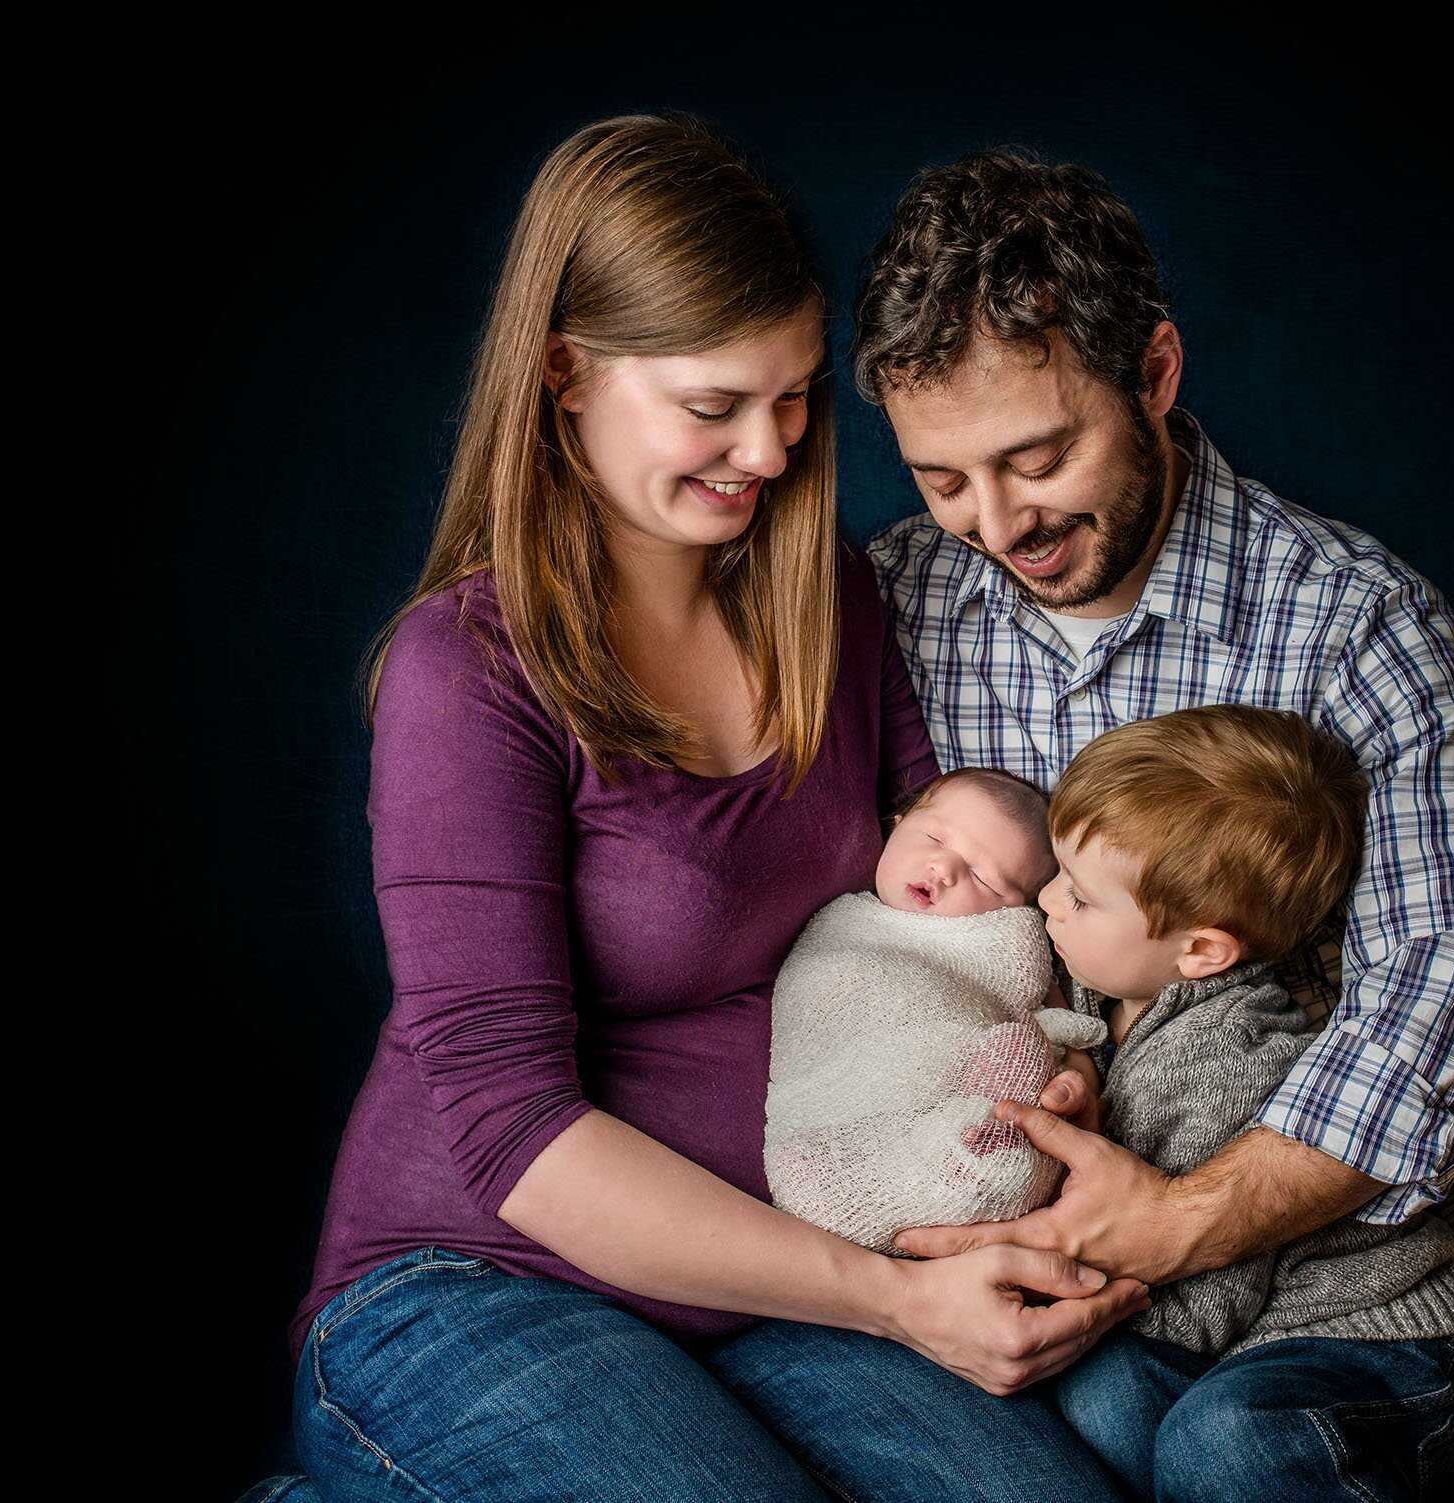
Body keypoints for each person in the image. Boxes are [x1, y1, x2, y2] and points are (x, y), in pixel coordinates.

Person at [247, 118, 1144, 1503]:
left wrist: (1032, 1089)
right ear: (566, 375)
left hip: (773, 1273)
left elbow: (970, 910)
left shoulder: (831, 602)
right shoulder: (467, 669)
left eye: (793, 399)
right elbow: (509, 1128)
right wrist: (891, 1295)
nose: (769, 451)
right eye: (714, 405)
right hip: (478, 1278)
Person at [859, 150, 1454, 1503]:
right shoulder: (899, 601)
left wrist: (1182, 1220)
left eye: (1038, 456)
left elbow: (1435, 996)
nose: (997, 521)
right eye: (945, 476)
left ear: (1154, 373)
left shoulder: (1357, 620)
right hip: (1105, 1173)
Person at [1039, 705, 1454, 1501]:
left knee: (1229, 1436)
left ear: (1201, 950)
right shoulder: (1112, 978)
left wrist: (1061, 1297)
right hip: (1233, 1336)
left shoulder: (1229, 1055)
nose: (1045, 900)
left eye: (1078, 895)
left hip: (1368, 1335)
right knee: (1100, 1402)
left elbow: (1212, 1283)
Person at [764, 766, 1108, 1252]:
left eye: (984, 878)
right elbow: (818, 1013)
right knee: (804, 1172)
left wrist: (1057, 1051)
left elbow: (1041, 1010)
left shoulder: (1005, 941)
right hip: (844, 1096)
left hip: (953, 1088)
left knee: (1016, 1053)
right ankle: (868, 1177)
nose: (944, 870)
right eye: (933, 837)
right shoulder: (840, 921)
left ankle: (969, 1148)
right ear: (896, 823)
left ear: (1015, 911)